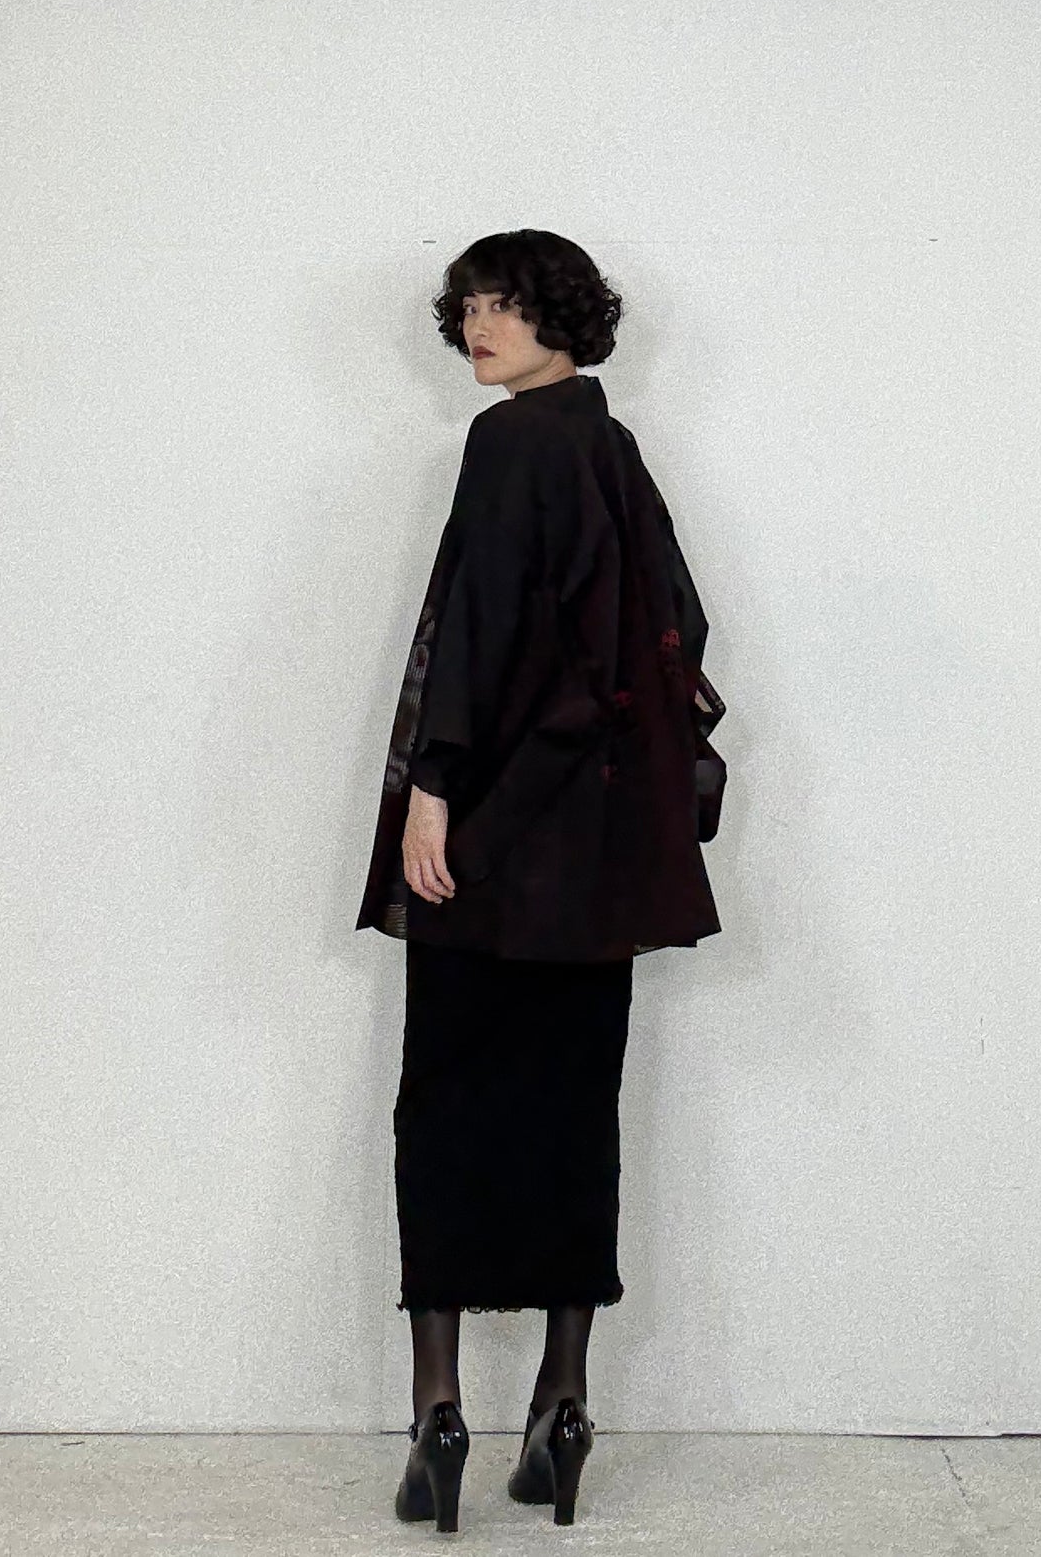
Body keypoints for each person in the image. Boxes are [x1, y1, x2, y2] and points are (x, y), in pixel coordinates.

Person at [355, 228, 730, 1532]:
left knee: (447, 1103)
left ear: (560, 314)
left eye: (505, 304)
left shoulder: (509, 442)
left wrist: (434, 786)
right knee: (574, 1111)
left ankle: (438, 1413)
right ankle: (564, 1406)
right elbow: (680, 627)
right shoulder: (612, 449)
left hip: (496, 840)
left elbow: (481, 630)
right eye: (468, 305)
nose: (478, 326)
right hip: (599, 853)